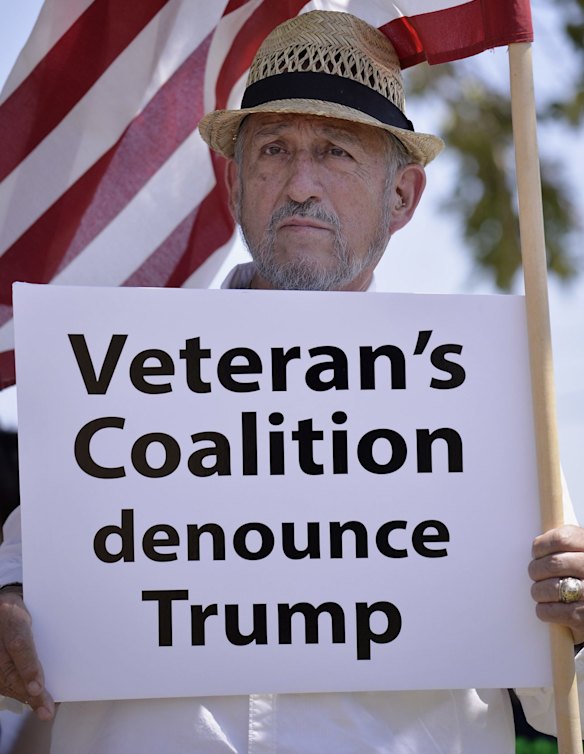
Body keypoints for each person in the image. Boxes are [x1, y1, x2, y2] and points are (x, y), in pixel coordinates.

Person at [0, 10, 583, 753]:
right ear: (237, 181)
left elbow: (562, 697)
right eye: (274, 150)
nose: (301, 184)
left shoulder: (494, 404)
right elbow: (23, 592)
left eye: (336, 153)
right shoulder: (118, 386)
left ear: (402, 197)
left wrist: (576, 616)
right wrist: (9, 608)